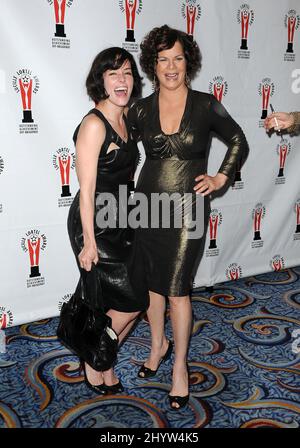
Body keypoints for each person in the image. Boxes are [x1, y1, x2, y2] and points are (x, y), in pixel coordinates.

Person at [128, 25, 249, 409]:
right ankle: (157, 346)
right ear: (152, 65)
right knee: (151, 284)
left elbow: (237, 139)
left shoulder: (207, 103)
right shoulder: (140, 108)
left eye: (177, 58)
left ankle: (179, 367)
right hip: (147, 204)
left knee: (177, 289)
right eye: (162, 59)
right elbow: (121, 149)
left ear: (188, 62)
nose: (170, 66)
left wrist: (220, 177)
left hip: (187, 211)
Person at [67, 47, 149, 395]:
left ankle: (102, 360)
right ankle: (95, 358)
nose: (122, 80)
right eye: (114, 73)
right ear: (100, 80)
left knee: (118, 301)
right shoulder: (93, 124)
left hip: (121, 216)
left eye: (128, 73)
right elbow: (85, 191)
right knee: (131, 301)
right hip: (93, 222)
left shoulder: (127, 117)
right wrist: (88, 241)